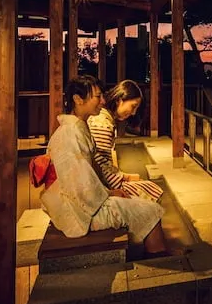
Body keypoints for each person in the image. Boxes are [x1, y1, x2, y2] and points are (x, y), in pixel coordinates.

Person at [40, 75, 167, 255]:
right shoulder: (73, 134)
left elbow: (86, 175)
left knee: (147, 205)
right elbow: (83, 185)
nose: (103, 100)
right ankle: (158, 257)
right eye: (97, 97)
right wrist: (111, 192)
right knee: (151, 210)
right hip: (80, 213)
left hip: (83, 201)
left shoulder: (77, 128)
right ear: (78, 99)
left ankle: (152, 252)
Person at [88, 80, 164, 202]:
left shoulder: (105, 118)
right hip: (101, 184)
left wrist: (123, 176)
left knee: (149, 188)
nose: (133, 113)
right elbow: (100, 163)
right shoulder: (102, 123)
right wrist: (119, 183)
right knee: (152, 193)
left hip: (103, 180)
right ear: (120, 100)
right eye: (133, 106)